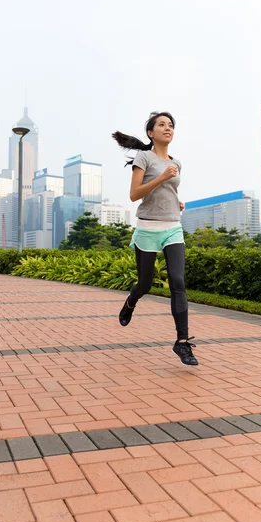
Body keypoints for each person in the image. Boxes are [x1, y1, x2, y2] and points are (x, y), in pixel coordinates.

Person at [112, 112, 198, 366]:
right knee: (145, 285)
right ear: (151, 133)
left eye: (170, 125)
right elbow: (134, 194)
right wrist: (162, 177)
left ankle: (182, 342)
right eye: (161, 124)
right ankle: (131, 300)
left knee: (177, 281)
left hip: (173, 227)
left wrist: (175, 200)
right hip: (148, 229)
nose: (167, 128)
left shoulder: (176, 162)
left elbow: (169, 189)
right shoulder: (144, 157)